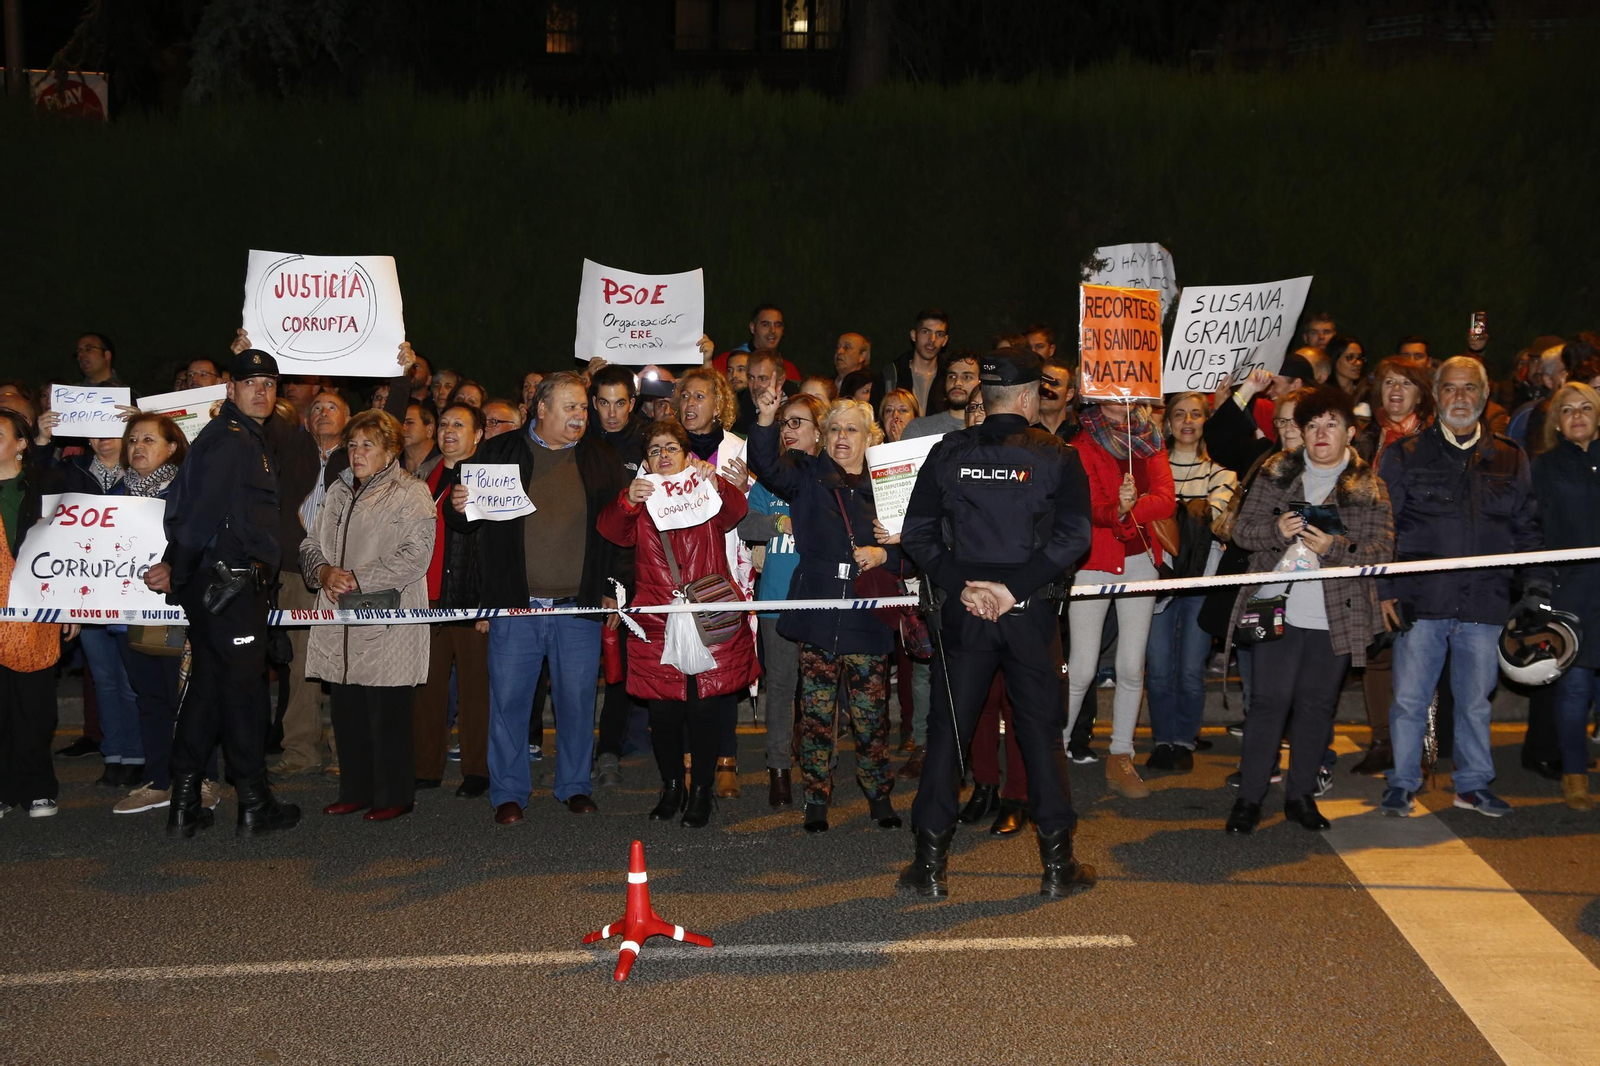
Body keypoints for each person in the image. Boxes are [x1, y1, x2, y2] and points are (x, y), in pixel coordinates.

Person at [897, 348, 1095, 899]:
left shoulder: (948, 451)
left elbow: (918, 535)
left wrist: (966, 586)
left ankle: (930, 868)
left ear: (985, 396)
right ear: (1029, 396)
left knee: (947, 733)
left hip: (965, 614)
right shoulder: (1057, 455)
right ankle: (1058, 868)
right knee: (1039, 733)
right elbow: (1075, 539)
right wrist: (1012, 589)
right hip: (1028, 614)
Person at [447, 371, 627, 824]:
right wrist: (458, 503)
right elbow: (467, 526)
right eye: (571, 407)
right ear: (540, 409)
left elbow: (623, 533)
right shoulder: (498, 452)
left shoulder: (602, 460)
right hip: (515, 605)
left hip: (578, 607)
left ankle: (574, 786)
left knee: (578, 701)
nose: (580, 416)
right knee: (508, 703)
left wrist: (612, 591)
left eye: (583, 408)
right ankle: (508, 792)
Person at [1378, 356, 1548, 818]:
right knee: (1410, 700)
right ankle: (1403, 782)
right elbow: (1383, 529)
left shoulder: (1511, 457)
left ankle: (1473, 785)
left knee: (1476, 702)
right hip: (1421, 601)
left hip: (1485, 601)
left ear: (1485, 394)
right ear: (1436, 394)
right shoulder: (1404, 454)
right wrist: (1384, 592)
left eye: (1469, 388)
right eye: (1450, 388)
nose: (1459, 398)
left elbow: (1527, 528)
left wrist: (1534, 588)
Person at [1222, 388, 1394, 833]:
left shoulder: (1370, 486)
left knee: (1317, 707)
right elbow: (1242, 531)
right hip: (1273, 603)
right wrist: (1276, 530)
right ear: (1301, 432)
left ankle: (1300, 796)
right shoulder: (1275, 471)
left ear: (1350, 433)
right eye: (1312, 425)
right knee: (1267, 703)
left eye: (1331, 424)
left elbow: (1383, 550)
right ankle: (1250, 798)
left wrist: (1336, 547)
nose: (1321, 433)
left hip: (1335, 612)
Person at [145, 348, 300, 837]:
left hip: (225, 587)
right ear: (230, 389)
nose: (262, 391)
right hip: (227, 590)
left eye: (270, 384)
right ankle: (255, 803)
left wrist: (182, 572)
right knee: (242, 697)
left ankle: (185, 802)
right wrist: (179, 571)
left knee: (208, 692)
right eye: (251, 382)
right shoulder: (232, 442)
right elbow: (196, 520)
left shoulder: (243, 437)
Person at [747, 390, 903, 833]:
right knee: (815, 716)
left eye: (851, 429)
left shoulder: (888, 485)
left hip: (867, 617)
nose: (841, 437)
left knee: (871, 718)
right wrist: (764, 416)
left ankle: (878, 795)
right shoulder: (807, 474)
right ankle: (816, 799)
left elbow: (919, 545)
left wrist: (884, 556)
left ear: (869, 438)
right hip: (817, 613)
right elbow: (766, 461)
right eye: (834, 428)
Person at [598, 420, 759, 827]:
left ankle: (702, 792)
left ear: (688, 455)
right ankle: (672, 787)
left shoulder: (705, 486)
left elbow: (737, 513)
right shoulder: (641, 496)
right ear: (646, 460)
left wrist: (719, 484)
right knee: (664, 714)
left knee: (704, 708)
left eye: (672, 448)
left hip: (706, 612)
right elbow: (611, 532)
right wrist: (626, 501)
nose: (664, 456)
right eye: (655, 450)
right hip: (657, 618)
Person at [301, 410, 435, 822]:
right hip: (340, 622)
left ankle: (394, 794)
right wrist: (323, 572)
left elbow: (417, 556)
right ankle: (354, 789)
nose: (357, 453)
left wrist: (358, 578)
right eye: (353, 445)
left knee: (388, 713)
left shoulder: (411, 492)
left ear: (391, 450)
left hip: (388, 622)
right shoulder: (337, 491)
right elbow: (309, 542)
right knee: (348, 711)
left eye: (368, 445)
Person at [1061, 399, 1175, 799]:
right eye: (1109, 393)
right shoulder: (1080, 445)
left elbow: (1166, 499)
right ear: (1093, 396)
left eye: (1126, 393)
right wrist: (1118, 511)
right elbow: (1089, 506)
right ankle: (1052, 755)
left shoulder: (1151, 439)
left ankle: (1121, 755)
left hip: (1141, 561)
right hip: (1094, 562)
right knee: (1082, 666)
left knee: (1130, 665)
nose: (1119, 400)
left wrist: (1130, 508)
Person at [108, 416, 222, 815]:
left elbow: (208, 541)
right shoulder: (116, 495)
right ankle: (158, 780)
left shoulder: (188, 490)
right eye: (133, 439)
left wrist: (178, 569)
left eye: (149, 440)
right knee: (150, 697)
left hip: (183, 610)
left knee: (191, 696)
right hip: (131, 611)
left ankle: (203, 778)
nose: (137, 446)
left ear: (173, 447)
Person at [740, 392, 828, 806]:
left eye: (798, 422)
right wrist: (781, 520)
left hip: (820, 601)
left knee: (817, 692)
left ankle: (817, 772)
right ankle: (779, 772)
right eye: (785, 423)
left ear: (819, 432)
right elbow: (746, 525)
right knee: (779, 688)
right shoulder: (770, 480)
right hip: (775, 600)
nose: (789, 430)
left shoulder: (831, 478)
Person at [1144, 393, 1236, 773]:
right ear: (1166, 423)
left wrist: (1166, 511)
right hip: (1155, 584)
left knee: (1189, 670)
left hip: (1201, 584)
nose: (1187, 421)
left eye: (1195, 414)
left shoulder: (1223, 474)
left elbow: (1209, 522)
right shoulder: (1150, 471)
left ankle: (1183, 739)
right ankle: (1163, 739)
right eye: (1179, 413)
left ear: (1205, 422)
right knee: (1159, 667)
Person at [0, 408, 81, 819]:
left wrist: (70, 605)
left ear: (20, 445)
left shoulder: (46, 485)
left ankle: (38, 787)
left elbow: (64, 550)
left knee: (35, 707)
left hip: (34, 612)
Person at [412, 404, 491, 798]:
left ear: (478, 435)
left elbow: (499, 547)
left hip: (472, 601)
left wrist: (491, 604)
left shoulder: (490, 478)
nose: (448, 431)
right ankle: (426, 766)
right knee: (427, 689)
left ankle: (478, 769)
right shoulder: (423, 476)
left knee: (477, 692)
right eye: (443, 424)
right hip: (427, 598)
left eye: (459, 425)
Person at [1531, 382, 1600, 810]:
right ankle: (1574, 773)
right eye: (1568, 409)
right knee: (1574, 689)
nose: (1577, 415)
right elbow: (1536, 529)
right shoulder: (1544, 466)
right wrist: (1539, 585)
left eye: (1586, 408)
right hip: (1570, 592)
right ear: (1556, 421)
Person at [586, 364, 648, 784]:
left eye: (620, 403)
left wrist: (615, 586)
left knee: (620, 668)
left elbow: (635, 527)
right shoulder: (577, 437)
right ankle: (578, 752)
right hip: (578, 571)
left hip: (626, 576)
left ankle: (609, 749)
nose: (612, 413)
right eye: (603, 403)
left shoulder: (647, 442)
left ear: (633, 403)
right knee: (579, 670)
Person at [883, 309, 952, 415]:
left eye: (939, 334)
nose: (932, 339)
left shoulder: (950, 378)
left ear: (945, 340)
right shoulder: (891, 376)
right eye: (925, 331)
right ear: (914, 335)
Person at [901, 350, 980, 439]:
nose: (957, 382)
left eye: (967, 377)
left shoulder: (991, 428)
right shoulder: (919, 429)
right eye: (952, 376)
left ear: (981, 382)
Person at [1036, 358, 1078, 440]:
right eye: (1042, 382)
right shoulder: (1023, 433)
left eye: (1055, 384)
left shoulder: (1081, 432)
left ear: (1069, 394)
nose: (1046, 387)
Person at [400, 401, 442, 480]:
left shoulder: (442, 465)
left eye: (409, 423)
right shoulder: (392, 466)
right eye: (400, 423)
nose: (402, 428)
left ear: (429, 429)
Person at [1326, 335, 1369, 409]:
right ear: (1335, 359)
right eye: (1350, 357)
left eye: (1359, 357)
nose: (1358, 363)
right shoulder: (1324, 394)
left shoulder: (1366, 392)